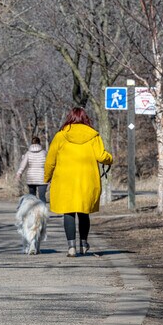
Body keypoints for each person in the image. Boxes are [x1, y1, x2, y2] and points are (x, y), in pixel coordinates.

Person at [44, 107, 113, 257]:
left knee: (68, 213)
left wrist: (47, 177)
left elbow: (50, 160)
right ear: (85, 118)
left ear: (70, 118)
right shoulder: (93, 136)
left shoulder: (60, 136)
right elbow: (101, 156)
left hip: (64, 181)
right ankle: (83, 243)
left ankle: (71, 247)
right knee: (83, 212)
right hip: (86, 180)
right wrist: (110, 158)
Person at [15, 136, 47, 203]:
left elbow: (23, 164)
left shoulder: (28, 153)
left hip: (31, 177)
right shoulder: (44, 153)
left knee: (32, 196)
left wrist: (19, 173)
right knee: (42, 196)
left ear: (31, 143)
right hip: (42, 177)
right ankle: (42, 212)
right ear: (39, 143)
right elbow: (50, 164)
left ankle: (32, 212)